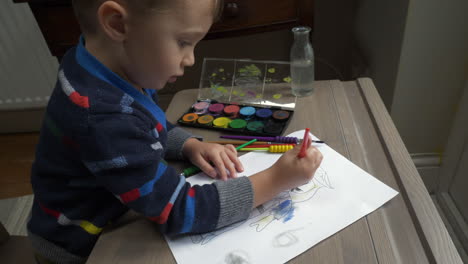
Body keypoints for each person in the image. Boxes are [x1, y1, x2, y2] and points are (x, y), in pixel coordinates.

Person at [27, 0, 323, 263]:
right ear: (117, 24)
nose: (190, 59)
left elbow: (145, 125)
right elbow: (180, 209)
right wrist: (276, 179)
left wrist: (190, 145)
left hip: (110, 210)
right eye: (183, 42)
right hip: (82, 245)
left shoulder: (101, 68)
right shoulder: (100, 116)